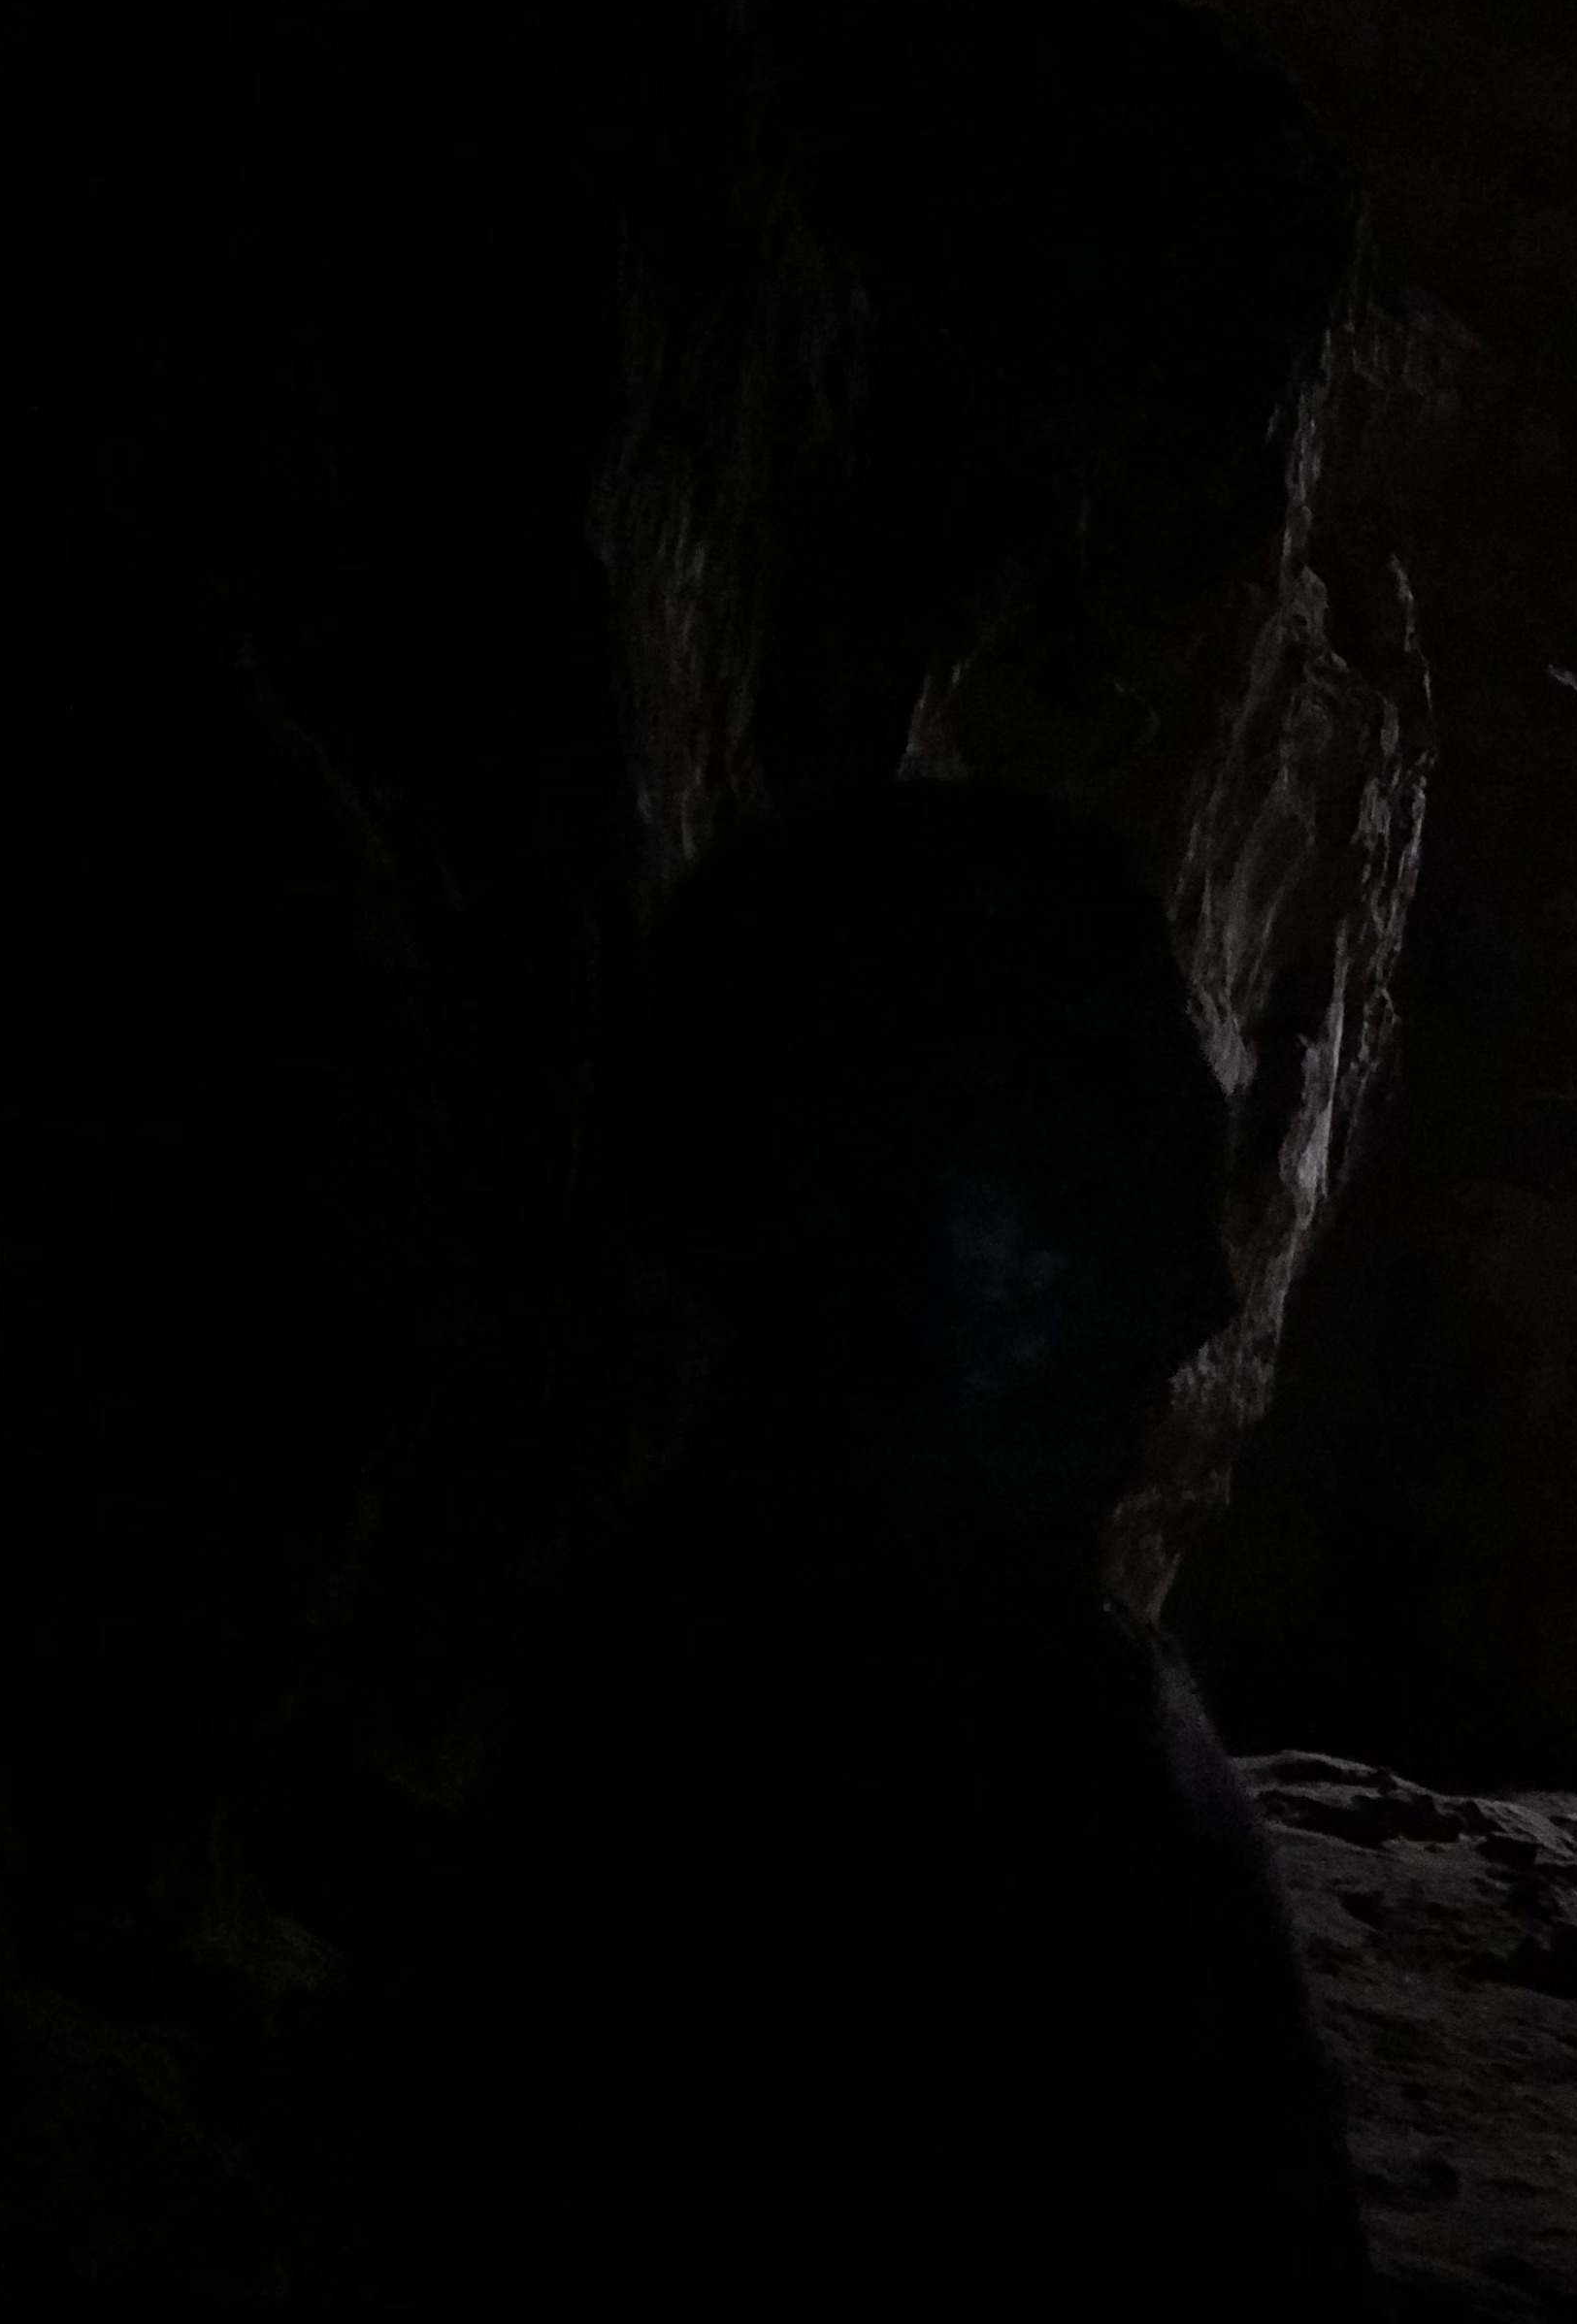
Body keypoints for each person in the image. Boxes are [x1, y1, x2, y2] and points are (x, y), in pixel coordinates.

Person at [412, 786, 1371, 2314]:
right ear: (835, 1220)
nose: (1196, 1294)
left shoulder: (1019, 1710)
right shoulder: (832, 1803)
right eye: (1089, 1202)